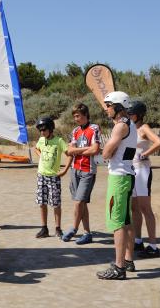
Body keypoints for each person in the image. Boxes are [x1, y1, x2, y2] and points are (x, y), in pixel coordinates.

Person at [96, 91, 138, 280]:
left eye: (109, 105)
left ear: (118, 107)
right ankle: (128, 260)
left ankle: (119, 267)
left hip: (119, 178)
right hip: (127, 176)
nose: (106, 109)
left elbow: (105, 154)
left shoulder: (120, 127)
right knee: (126, 220)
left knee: (117, 222)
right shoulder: (130, 124)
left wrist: (108, 151)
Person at [128, 101, 160, 258]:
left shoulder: (144, 128)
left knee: (145, 208)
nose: (129, 116)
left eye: (131, 113)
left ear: (139, 115)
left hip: (142, 171)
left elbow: (159, 142)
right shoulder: (130, 129)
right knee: (134, 208)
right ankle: (138, 240)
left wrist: (145, 154)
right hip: (131, 170)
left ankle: (153, 246)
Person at [61, 103, 101, 245]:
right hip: (74, 169)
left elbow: (95, 150)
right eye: (74, 116)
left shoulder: (94, 128)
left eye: (78, 116)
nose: (76, 119)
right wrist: (84, 149)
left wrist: (77, 150)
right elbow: (69, 151)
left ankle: (74, 228)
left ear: (85, 115)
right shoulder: (75, 131)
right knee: (82, 203)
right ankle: (87, 233)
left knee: (79, 202)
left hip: (87, 170)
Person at [34, 117, 71, 238]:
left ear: (50, 129)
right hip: (41, 176)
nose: (42, 132)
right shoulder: (41, 140)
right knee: (42, 203)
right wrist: (41, 157)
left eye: (44, 130)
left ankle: (58, 228)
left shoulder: (59, 141)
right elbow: (36, 148)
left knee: (56, 204)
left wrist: (65, 170)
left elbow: (69, 155)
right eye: (40, 130)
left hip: (54, 177)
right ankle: (44, 228)